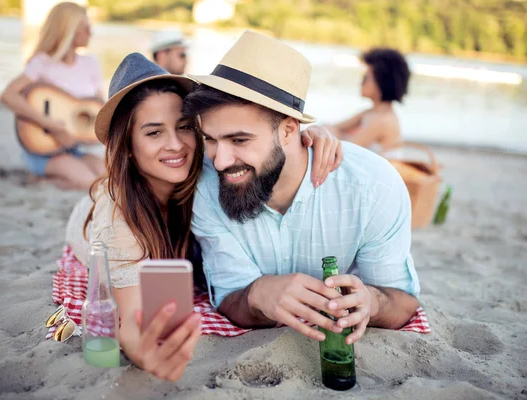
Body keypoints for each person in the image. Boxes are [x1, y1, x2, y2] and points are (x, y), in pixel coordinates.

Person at [63, 53, 342, 381]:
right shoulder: (117, 219)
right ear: (126, 144)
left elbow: (263, 142)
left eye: (184, 127)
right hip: (89, 224)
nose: (175, 145)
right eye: (154, 133)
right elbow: (130, 321)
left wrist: (312, 135)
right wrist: (143, 351)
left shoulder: (209, 166)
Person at [181, 30, 420, 346]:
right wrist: (257, 294)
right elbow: (229, 296)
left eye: (239, 140)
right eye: (210, 139)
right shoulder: (206, 189)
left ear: (289, 130)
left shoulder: (374, 187)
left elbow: (401, 301)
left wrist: (371, 302)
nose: (221, 161)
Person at [0, 2, 105, 190]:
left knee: (110, 180)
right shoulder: (42, 63)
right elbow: (8, 95)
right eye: (85, 27)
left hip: (76, 148)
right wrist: (50, 125)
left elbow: (101, 109)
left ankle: (48, 180)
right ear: (69, 30)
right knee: (92, 185)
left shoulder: (91, 63)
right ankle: (45, 177)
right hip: (43, 149)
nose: (91, 32)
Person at [324, 48, 411, 158]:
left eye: (366, 78)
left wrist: (332, 133)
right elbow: (332, 127)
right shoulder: (371, 113)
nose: (361, 82)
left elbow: (344, 150)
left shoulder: (383, 120)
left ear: (382, 82)